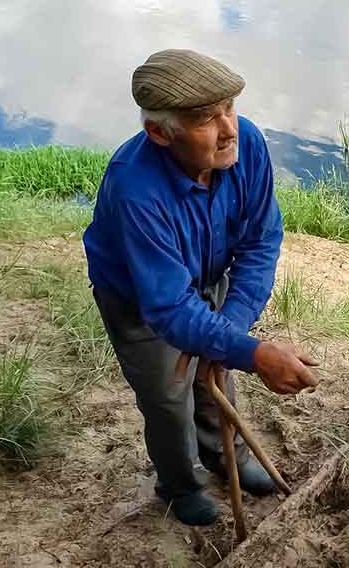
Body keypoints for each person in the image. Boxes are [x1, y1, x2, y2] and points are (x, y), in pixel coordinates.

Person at [83, 49, 319, 526]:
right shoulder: (135, 188)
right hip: (140, 301)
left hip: (206, 278)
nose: (228, 128)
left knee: (216, 374)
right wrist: (255, 354)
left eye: (229, 106)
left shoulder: (245, 143)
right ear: (159, 132)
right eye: (204, 118)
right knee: (168, 396)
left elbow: (260, 240)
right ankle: (179, 484)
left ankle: (226, 459)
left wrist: (229, 334)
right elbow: (168, 307)